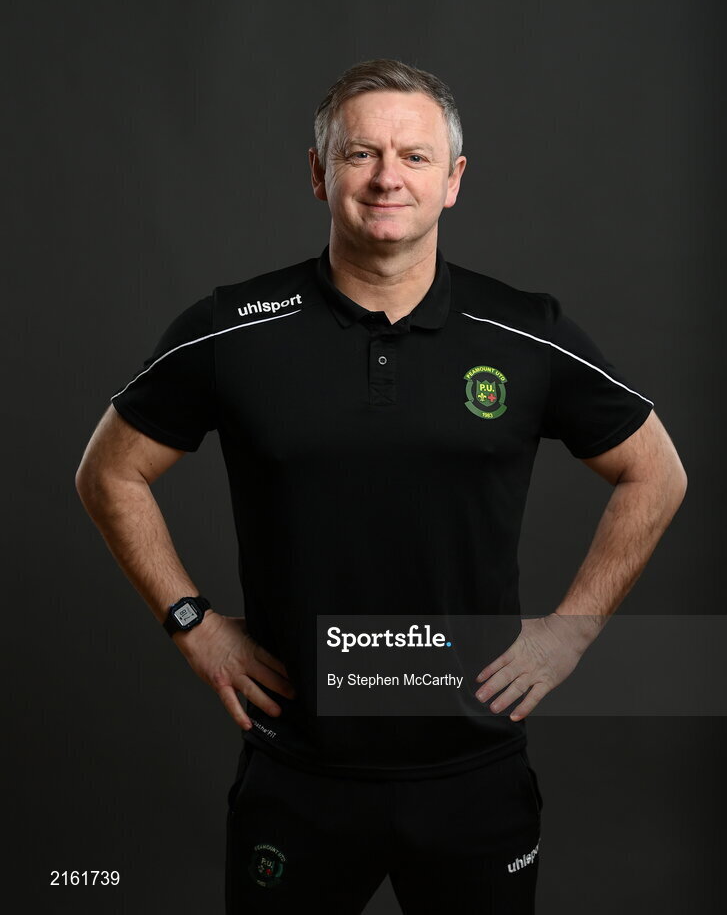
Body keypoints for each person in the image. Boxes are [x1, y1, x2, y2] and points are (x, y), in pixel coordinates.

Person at [75, 58, 687, 914]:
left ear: (454, 181)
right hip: (298, 773)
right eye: (361, 154)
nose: (388, 177)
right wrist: (193, 625)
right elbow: (109, 471)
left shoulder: (525, 331)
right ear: (320, 173)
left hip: (474, 774)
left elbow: (656, 472)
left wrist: (572, 633)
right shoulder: (234, 328)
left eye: (415, 156)